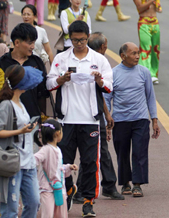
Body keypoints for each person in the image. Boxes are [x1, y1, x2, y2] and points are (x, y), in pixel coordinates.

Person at [46, 20, 113, 218]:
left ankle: (88, 202)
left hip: (90, 120)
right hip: (66, 120)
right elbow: (49, 83)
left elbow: (110, 84)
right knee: (64, 161)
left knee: (90, 161)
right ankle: (67, 192)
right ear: (70, 38)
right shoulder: (61, 58)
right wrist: (61, 79)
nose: (79, 44)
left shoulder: (98, 59)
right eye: (75, 40)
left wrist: (100, 81)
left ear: (88, 37)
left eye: (82, 40)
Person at [0, 64, 42, 218]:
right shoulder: (6, 105)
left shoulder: (20, 103)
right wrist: (20, 131)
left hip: (28, 162)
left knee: (34, 202)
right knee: (10, 208)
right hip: (12, 163)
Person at [73, 34, 124, 203]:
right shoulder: (91, 62)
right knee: (91, 153)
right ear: (102, 47)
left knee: (100, 151)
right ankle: (82, 190)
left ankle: (108, 185)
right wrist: (106, 113)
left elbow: (99, 93)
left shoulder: (99, 62)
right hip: (84, 115)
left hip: (96, 113)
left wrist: (107, 114)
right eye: (106, 45)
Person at [111, 41, 160, 198]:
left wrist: (154, 119)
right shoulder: (113, 73)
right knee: (122, 152)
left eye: (138, 52)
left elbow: (150, 97)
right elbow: (106, 97)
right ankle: (125, 183)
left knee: (140, 152)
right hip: (120, 120)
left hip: (140, 119)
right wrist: (107, 120)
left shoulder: (144, 72)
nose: (137, 56)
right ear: (123, 56)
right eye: (133, 53)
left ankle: (137, 184)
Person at [0, 23, 50, 124]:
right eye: (29, 43)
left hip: (32, 120)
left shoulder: (37, 62)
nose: (33, 47)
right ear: (17, 42)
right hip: (8, 121)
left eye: (34, 42)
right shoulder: (0, 64)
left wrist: (42, 117)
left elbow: (42, 92)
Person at [130, 0, 169, 82]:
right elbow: (140, 7)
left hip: (155, 22)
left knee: (155, 49)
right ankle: (145, 74)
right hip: (144, 23)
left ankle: (153, 73)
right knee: (145, 48)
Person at [34, 117, 77, 218]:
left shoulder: (57, 149)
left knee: (61, 214)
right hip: (47, 188)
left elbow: (58, 167)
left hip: (59, 188)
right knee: (48, 215)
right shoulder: (46, 149)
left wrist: (68, 167)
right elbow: (35, 159)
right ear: (57, 133)